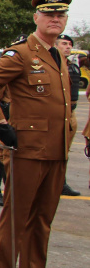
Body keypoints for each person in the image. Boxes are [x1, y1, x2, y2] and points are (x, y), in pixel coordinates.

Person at [0, 0, 75, 268]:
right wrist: (1, 124)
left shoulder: (59, 55)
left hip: (57, 149)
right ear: (36, 18)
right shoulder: (20, 54)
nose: (55, 19)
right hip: (28, 148)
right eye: (49, 14)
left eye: (60, 14)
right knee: (17, 217)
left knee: (43, 217)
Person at [55, 33, 81, 197]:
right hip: (56, 114)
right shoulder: (53, 65)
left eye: (70, 44)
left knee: (65, 151)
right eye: (64, 43)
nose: (68, 47)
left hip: (71, 113)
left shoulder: (73, 66)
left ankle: (61, 183)